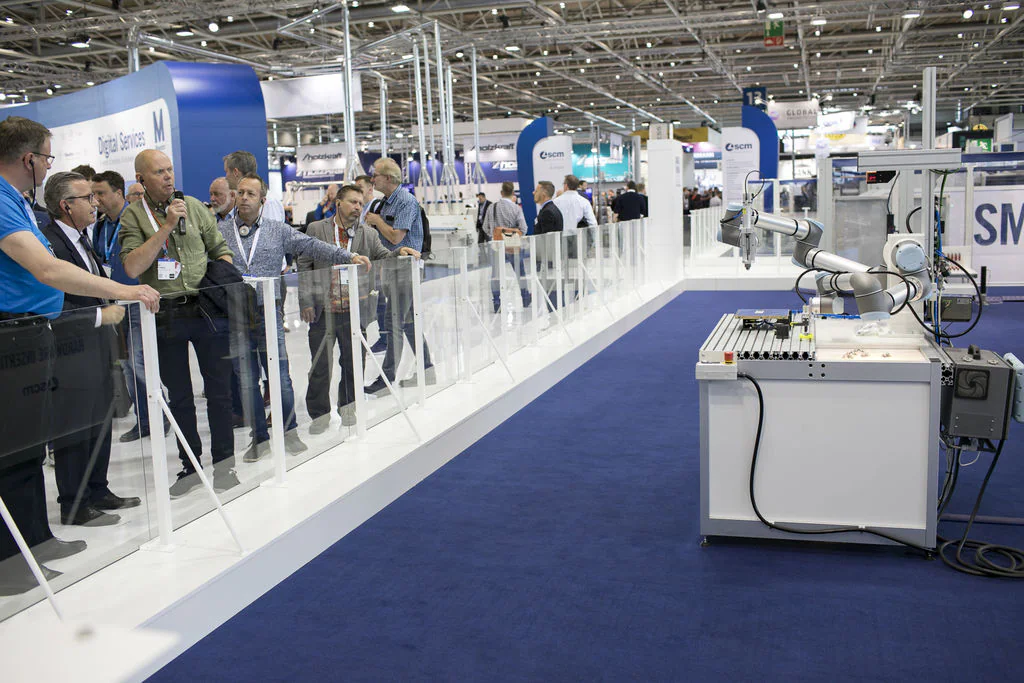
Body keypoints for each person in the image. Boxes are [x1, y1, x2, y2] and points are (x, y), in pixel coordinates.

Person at [0, 116, 158, 593]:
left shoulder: (16, 200)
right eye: (47, 157)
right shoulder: (3, 200)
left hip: (31, 333)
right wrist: (124, 292)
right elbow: (48, 270)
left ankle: (35, 540)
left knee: (29, 448)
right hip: (12, 333)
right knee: (14, 451)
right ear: (29, 158)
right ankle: (12, 561)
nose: (49, 166)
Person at [218, 173, 369, 459]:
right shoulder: (221, 231)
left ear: (262, 201)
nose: (245, 198)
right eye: (241, 193)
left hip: (269, 311)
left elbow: (311, 246)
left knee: (280, 376)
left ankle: (289, 433)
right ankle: (259, 439)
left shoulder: (277, 230)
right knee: (247, 380)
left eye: (251, 194)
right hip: (235, 313)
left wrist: (348, 257)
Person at [119, 149, 238, 498]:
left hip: (205, 308)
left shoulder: (194, 207)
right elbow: (132, 267)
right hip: (166, 313)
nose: (168, 176)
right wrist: (167, 226)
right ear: (141, 179)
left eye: (169, 170)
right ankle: (191, 466)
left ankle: (225, 465)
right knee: (180, 396)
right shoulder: (133, 216)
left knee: (219, 391)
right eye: (159, 172)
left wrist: (220, 281)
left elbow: (220, 249)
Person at [40, 171, 143, 526]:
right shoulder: (48, 244)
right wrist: (99, 315)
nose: (95, 203)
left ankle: (98, 489)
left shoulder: (84, 238)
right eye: (87, 198)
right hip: (70, 348)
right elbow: (52, 302)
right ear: (66, 205)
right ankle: (75, 502)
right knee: (74, 426)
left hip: (98, 346)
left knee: (100, 419)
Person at [300, 185, 419, 431]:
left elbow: (383, 255)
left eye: (361, 203)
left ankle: (348, 408)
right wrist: (306, 300)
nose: (358, 207)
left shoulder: (368, 234)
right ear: (338, 203)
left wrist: (399, 252)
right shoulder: (316, 229)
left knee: (353, 364)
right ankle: (320, 416)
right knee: (320, 366)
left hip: (354, 312)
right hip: (323, 310)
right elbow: (304, 265)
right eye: (353, 202)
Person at [92, 169, 165, 443]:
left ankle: (158, 416)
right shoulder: (100, 225)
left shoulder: (135, 219)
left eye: (101, 193)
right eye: (93, 194)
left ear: (118, 193)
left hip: (138, 301)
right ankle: (144, 420)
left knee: (139, 361)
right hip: (113, 302)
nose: (96, 199)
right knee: (125, 364)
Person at [363, 158, 431, 392]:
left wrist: (377, 221)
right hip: (391, 269)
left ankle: (386, 380)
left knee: (394, 323)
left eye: (375, 175)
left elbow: (395, 237)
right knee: (408, 322)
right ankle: (428, 370)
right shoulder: (384, 202)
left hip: (406, 270)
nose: (372, 180)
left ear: (388, 178)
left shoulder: (405, 201)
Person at [222, 151, 285, 222]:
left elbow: (272, 228)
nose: (226, 177)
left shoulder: (269, 202)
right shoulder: (240, 200)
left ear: (235, 172)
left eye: (226, 172)